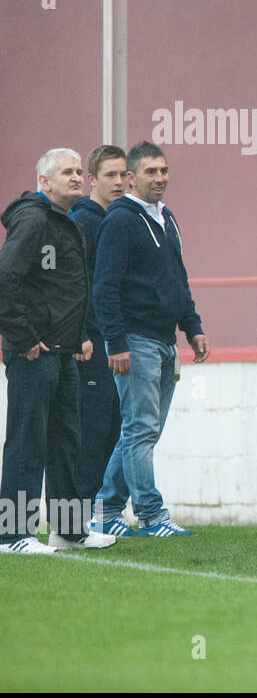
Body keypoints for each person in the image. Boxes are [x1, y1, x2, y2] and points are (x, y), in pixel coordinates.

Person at [91, 141, 210, 538]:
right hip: (135, 341)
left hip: (164, 341)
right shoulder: (120, 220)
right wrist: (117, 342)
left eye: (164, 170)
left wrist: (193, 327)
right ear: (130, 179)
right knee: (140, 429)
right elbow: (104, 286)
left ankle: (106, 511)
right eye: (150, 172)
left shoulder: (167, 218)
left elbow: (178, 279)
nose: (160, 178)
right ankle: (150, 515)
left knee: (142, 431)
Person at [0, 150, 111, 554]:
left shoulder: (68, 222)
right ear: (44, 182)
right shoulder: (33, 219)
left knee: (66, 442)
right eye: (67, 172)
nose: (78, 177)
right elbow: (5, 277)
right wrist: (24, 336)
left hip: (64, 351)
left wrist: (79, 333)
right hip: (33, 352)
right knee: (27, 441)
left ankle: (68, 530)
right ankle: (12, 534)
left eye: (80, 171)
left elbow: (64, 290)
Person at [70, 145, 127, 529]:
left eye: (124, 175)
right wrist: (84, 333)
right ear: (92, 179)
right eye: (110, 175)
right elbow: (79, 285)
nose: (119, 182)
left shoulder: (121, 219)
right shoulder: (84, 221)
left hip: (117, 341)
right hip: (90, 343)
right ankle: (82, 513)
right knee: (90, 429)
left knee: (115, 425)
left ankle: (105, 512)